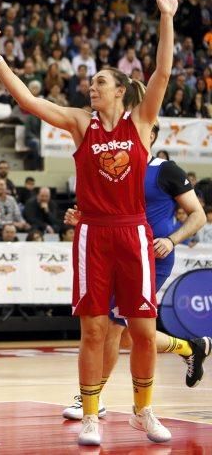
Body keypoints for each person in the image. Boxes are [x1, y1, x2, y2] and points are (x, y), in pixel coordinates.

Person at [0, 0, 178, 446]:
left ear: (121, 91)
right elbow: (30, 101)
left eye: (99, 83)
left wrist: (166, 17)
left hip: (133, 233)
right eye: (91, 84)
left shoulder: (141, 122)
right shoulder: (80, 123)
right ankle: (90, 414)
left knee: (143, 333)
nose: (91, 87)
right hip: (92, 234)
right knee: (93, 330)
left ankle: (143, 411)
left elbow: (163, 72)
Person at [61, 123, 210, 420]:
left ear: (150, 136)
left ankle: (93, 397)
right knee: (132, 334)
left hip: (150, 256)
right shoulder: (111, 169)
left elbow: (198, 215)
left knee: (115, 328)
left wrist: (171, 239)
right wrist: (81, 218)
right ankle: (189, 347)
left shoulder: (165, 170)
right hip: (114, 254)